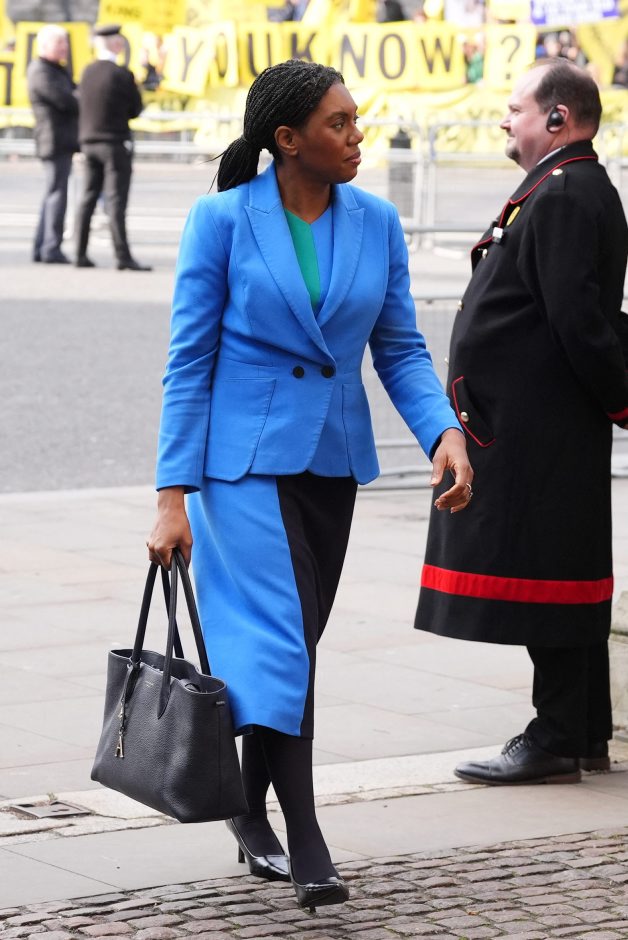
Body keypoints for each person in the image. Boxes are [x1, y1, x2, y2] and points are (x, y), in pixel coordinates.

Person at [147, 59, 472, 912]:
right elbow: (189, 360)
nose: (358, 136)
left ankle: (246, 808)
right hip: (241, 468)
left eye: (356, 119)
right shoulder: (223, 219)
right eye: (340, 123)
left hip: (331, 464)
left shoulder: (377, 221)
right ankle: (307, 836)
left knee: (289, 650)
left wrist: (443, 432)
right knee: (283, 646)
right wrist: (171, 496)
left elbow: (398, 347)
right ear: (288, 139)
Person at [415, 59, 628, 786]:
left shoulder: (566, 192)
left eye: (517, 108)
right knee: (557, 573)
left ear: (558, 118)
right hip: (533, 424)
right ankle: (580, 733)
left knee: (550, 578)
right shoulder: (559, 184)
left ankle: (559, 735)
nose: (505, 119)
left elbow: (579, 322)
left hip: (541, 430)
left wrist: (622, 402)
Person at [74, 24, 151, 271]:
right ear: (116, 44)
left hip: (88, 143)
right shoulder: (121, 74)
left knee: (87, 198)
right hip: (115, 143)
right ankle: (122, 256)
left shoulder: (87, 72)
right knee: (116, 201)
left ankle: (79, 253)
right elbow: (135, 110)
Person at [27, 25, 78, 264]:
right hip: (54, 140)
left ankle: (43, 246)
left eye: (65, 42)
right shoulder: (41, 71)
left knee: (53, 193)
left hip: (59, 140)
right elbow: (66, 100)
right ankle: (50, 247)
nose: (64, 47)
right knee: (57, 194)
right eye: (59, 43)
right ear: (44, 45)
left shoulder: (54, 69)